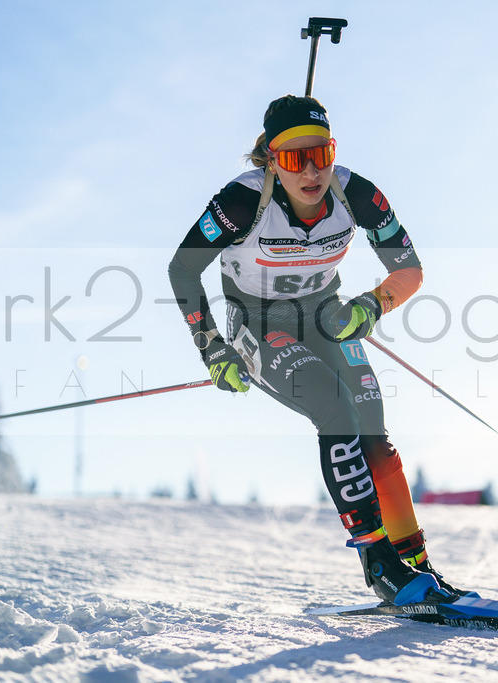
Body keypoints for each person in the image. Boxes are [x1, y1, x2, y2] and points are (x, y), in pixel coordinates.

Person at [168, 95, 459, 606]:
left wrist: (371, 305)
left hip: (326, 315)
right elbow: (183, 269)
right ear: (271, 160)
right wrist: (212, 348)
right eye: (293, 158)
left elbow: (409, 270)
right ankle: (380, 565)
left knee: (372, 427)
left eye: (320, 155)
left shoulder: (356, 194)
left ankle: (417, 564)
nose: (310, 172)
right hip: (259, 323)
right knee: (335, 408)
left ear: (333, 151)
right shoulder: (241, 203)